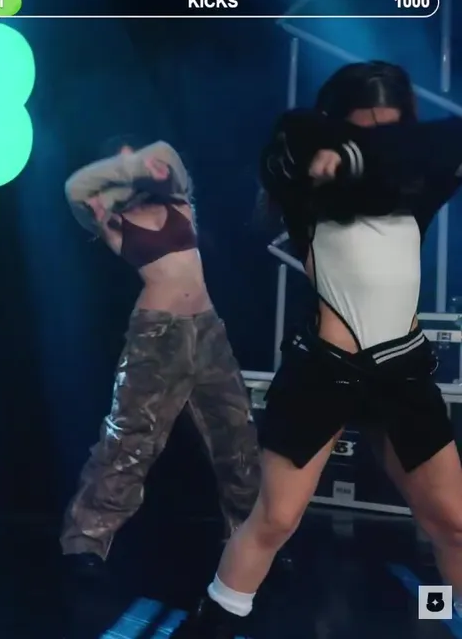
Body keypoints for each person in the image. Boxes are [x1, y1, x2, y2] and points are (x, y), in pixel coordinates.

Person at [176, 62, 462, 637]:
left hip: (402, 371)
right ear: (339, 120)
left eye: (390, 127)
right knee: (275, 519)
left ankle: (450, 619)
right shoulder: (308, 181)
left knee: (454, 524)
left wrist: (358, 153)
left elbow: (439, 142)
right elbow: (295, 130)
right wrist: (339, 151)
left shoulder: (416, 183)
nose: (378, 139)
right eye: (363, 127)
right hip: (327, 370)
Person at [59, 139, 260, 575]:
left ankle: (252, 540)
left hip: (207, 329)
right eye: (124, 160)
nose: (141, 163)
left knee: (237, 436)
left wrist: (147, 168)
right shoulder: (111, 219)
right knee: (129, 440)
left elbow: (168, 155)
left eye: (138, 157)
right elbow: (75, 187)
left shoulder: (179, 202)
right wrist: (131, 170)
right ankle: (85, 542)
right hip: (157, 335)